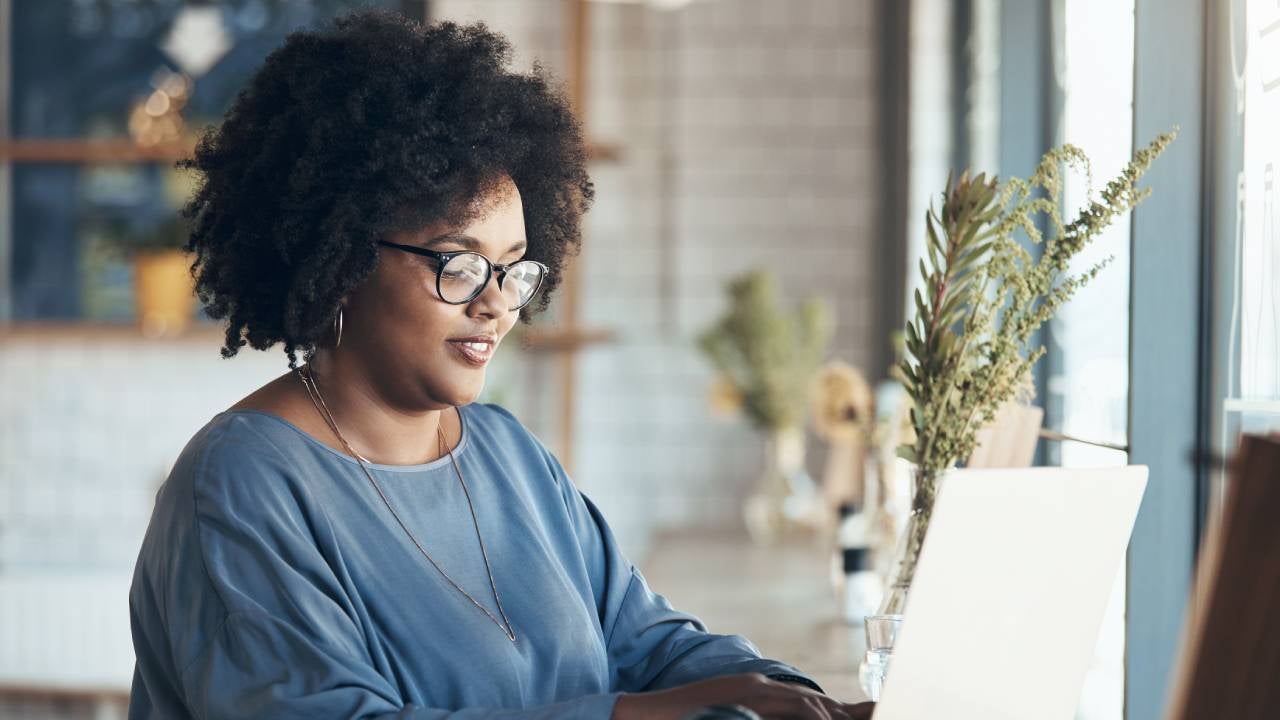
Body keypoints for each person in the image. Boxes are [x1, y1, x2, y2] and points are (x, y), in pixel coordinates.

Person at [127, 10, 874, 720]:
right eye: (459, 265)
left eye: (515, 269)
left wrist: (792, 696)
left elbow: (647, 643)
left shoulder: (509, 455)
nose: (496, 304)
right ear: (342, 258)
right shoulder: (240, 484)